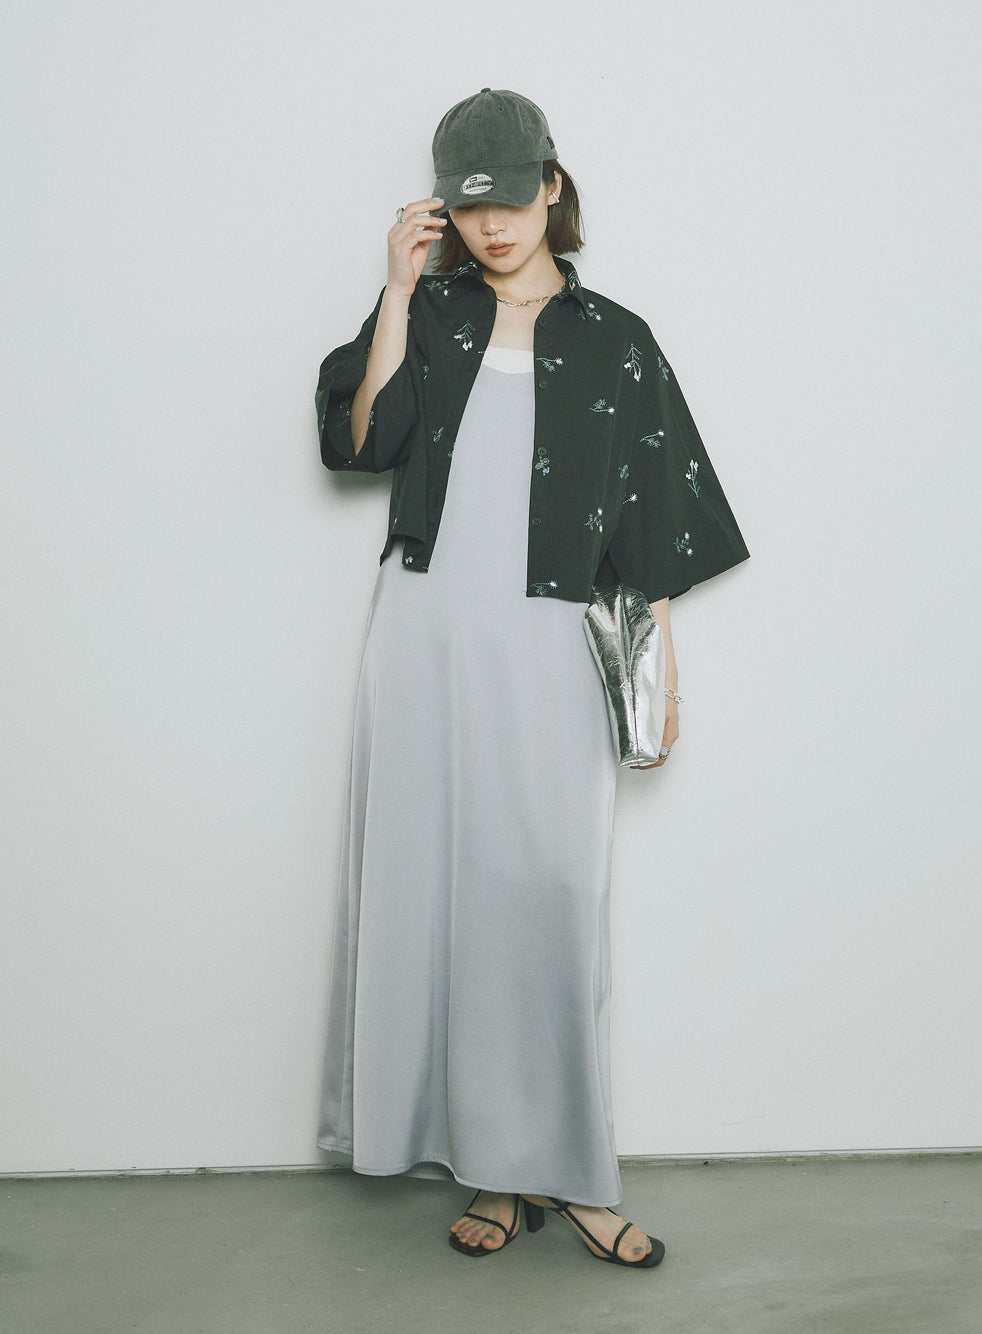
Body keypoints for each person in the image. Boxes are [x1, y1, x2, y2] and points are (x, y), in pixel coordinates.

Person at [314, 88, 749, 1269]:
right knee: (438, 895)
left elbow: (654, 519)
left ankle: (573, 1172)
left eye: (511, 200)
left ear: (552, 186)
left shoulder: (616, 336)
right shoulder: (433, 311)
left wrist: (659, 672)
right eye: (469, 210)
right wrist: (396, 290)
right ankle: (498, 1173)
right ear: (441, 212)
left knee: (549, 895)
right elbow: (361, 442)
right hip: (423, 633)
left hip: (552, 641)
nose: (493, 226)